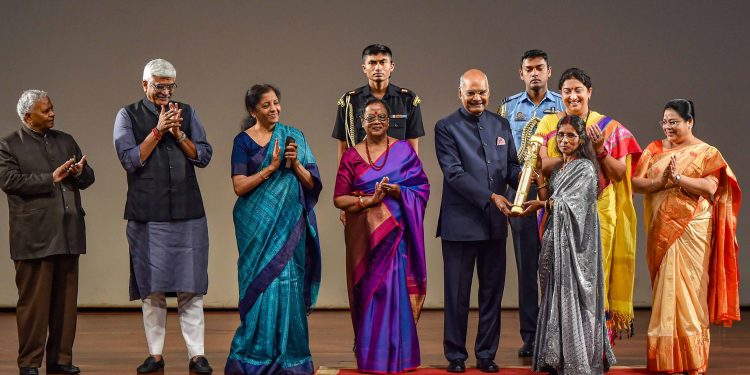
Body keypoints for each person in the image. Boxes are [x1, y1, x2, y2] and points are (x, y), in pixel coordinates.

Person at [113, 59, 213, 374]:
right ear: (145, 85)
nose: (166, 92)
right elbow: (130, 159)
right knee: (151, 288)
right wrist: (158, 131)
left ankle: (197, 356)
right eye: (159, 85)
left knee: (191, 286)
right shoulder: (127, 115)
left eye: (170, 85)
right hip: (148, 215)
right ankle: (155, 356)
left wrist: (179, 134)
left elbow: (204, 155)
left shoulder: (188, 111)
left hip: (187, 212)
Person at [632, 99, 741, 375]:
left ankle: (693, 361)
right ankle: (667, 363)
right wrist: (661, 182)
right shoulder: (654, 149)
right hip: (662, 230)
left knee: (691, 291)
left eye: (674, 122)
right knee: (665, 292)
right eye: (665, 122)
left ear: (690, 122)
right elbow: (635, 182)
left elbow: (709, 187)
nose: (668, 127)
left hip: (692, 226)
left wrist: (678, 178)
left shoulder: (706, 152)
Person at [535, 68, 641, 338]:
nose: (572, 96)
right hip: (558, 210)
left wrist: (601, 150)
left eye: (578, 90)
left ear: (589, 92)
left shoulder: (608, 128)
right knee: (561, 278)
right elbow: (540, 165)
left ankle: (594, 345)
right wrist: (577, 152)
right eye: (567, 91)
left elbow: (619, 175)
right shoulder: (550, 124)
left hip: (598, 212)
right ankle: (563, 344)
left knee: (594, 277)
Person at [224, 84, 323, 375]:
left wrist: (293, 165)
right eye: (266, 105)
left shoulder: (295, 137)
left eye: (276, 103)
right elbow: (239, 186)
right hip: (256, 229)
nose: (274, 109)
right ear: (253, 110)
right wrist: (271, 168)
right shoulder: (242, 142)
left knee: (288, 286)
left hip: (289, 230)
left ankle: (292, 358)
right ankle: (253, 357)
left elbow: (312, 184)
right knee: (261, 288)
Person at [0, 90, 94, 375]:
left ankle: (61, 359)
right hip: (34, 237)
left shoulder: (65, 140)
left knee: (65, 305)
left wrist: (79, 171)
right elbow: (9, 180)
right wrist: (50, 178)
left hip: (68, 233)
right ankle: (29, 363)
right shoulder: (9, 145)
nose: (52, 113)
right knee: (34, 307)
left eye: (52, 108)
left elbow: (88, 178)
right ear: (28, 116)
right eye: (46, 110)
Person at [334, 98, 429, 373]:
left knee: (392, 292)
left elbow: (422, 188)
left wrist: (398, 191)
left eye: (382, 117)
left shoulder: (404, 152)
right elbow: (339, 198)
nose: (376, 121)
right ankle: (370, 358)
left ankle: (400, 357)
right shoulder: (351, 156)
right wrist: (369, 201)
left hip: (396, 236)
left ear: (389, 122)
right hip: (365, 238)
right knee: (369, 292)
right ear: (361, 122)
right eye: (371, 117)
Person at [435, 69, 520, 373]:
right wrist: (492, 197)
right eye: (470, 92)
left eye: (481, 92)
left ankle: (486, 355)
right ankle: (456, 356)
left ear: (489, 91)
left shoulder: (501, 124)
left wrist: (525, 178)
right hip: (460, 225)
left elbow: (510, 166)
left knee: (491, 295)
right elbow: (454, 173)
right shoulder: (446, 127)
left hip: (495, 225)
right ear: (460, 93)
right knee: (457, 296)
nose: (477, 98)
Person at [521, 115, 615, 374]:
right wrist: (540, 177)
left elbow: (572, 206)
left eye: (570, 135)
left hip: (576, 246)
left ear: (582, 139)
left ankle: (576, 359)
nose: (564, 140)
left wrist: (543, 204)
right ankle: (557, 356)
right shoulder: (561, 168)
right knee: (554, 292)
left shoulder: (585, 168)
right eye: (560, 135)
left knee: (571, 293)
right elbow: (548, 199)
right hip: (555, 238)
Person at [497, 49, 565, 357]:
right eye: (529, 69)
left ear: (549, 71)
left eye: (540, 68)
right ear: (521, 73)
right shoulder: (509, 108)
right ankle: (532, 335)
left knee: (558, 265)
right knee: (527, 266)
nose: (535, 73)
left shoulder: (564, 105)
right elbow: (501, 155)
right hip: (520, 195)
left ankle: (559, 332)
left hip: (556, 193)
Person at [332, 44, 424, 163]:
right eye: (372, 63)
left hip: (396, 175)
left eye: (382, 62)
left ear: (392, 66)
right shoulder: (349, 102)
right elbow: (343, 148)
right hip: (360, 175)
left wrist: (409, 179)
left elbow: (412, 150)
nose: (378, 68)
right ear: (364, 68)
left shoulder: (407, 100)